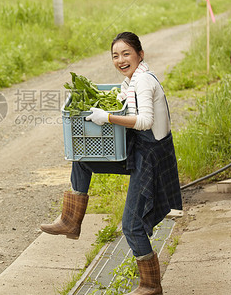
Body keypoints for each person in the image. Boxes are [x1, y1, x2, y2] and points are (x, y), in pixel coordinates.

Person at [40, 31, 182, 295]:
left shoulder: (143, 82)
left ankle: (151, 285)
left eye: (126, 53)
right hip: (139, 148)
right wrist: (110, 108)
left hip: (151, 156)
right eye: (115, 55)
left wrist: (107, 116)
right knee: (81, 159)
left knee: (131, 224)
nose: (120, 60)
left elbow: (144, 122)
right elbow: (129, 110)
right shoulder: (131, 81)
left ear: (141, 54)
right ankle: (71, 220)